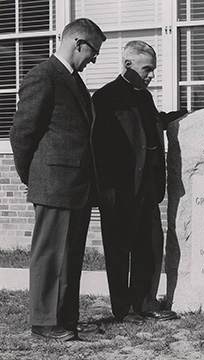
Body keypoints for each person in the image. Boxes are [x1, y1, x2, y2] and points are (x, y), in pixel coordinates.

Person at [9, 18, 106, 341]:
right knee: (50, 257)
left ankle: (64, 319)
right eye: (93, 52)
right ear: (78, 43)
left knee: (70, 257)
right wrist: (34, 176)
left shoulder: (73, 79)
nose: (94, 59)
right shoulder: (43, 75)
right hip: (53, 183)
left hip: (76, 186)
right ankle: (44, 323)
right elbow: (22, 133)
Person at [92, 40, 187, 323]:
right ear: (128, 65)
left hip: (147, 188)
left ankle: (146, 302)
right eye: (147, 69)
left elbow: (152, 122)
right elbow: (98, 147)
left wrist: (182, 117)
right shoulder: (105, 98)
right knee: (119, 251)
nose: (151, 75)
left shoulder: (144, 97)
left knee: (149, 245)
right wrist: (105, 188)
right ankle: (125, 309)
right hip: (119, 189)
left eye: (153, 70)